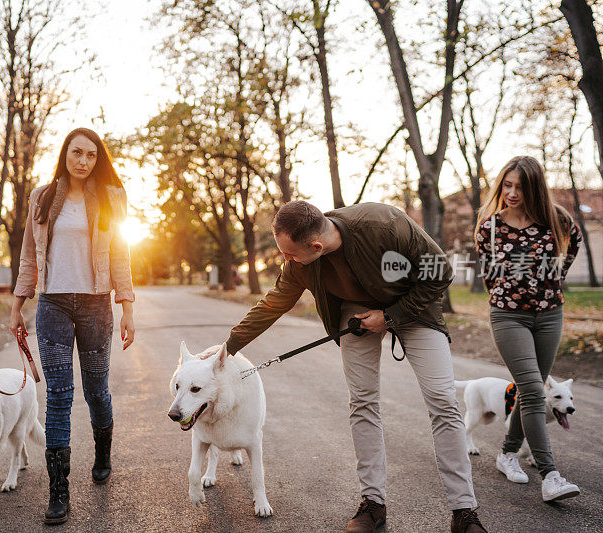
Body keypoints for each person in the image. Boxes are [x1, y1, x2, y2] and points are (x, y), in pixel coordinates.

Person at [218, 200, 486, 533]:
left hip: (414, 306)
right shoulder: (300, 264)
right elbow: (272, 304)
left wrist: (390, 317)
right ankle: (373, 504)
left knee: (443, 400)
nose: (285, 260)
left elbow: (440, 271)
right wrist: (226, 349)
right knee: (362, 402)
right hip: (356, 313)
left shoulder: (384, 225)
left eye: (289, 254)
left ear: (316, 245)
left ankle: (464, 511)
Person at [10, 127, 136, 524]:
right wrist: (17, 306)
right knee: (59, 396)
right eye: (76, 152)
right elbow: (29, 256)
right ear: (65, 153)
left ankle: (102, 452)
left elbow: (121, 254)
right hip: (53, 305)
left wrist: (127, 307)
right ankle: (58, 492)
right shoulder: (41, 198)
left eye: (91, 155)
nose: (83, 161)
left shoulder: (112, 198)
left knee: (97, 391)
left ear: (99, 159)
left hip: (97, 304)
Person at [474, 155, 581, 502]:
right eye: (507, 184)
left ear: (534, 188)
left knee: (528, 391)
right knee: (535, 391)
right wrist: (509, 294)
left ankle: (507, 454)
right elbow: (489, 274)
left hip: (550, 315)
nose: (511, 192)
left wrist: (554, 282)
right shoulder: (491, 226)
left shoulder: (556, 219)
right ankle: (551, 476)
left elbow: (573, 243)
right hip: (509, 316)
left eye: (519, 186)